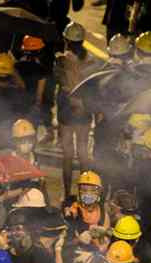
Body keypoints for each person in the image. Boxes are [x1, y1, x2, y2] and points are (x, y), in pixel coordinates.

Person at [55, 22, 95, 195]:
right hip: (84, 108)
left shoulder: (61, 60)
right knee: (83, 152)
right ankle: (85, 194)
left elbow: (60, 82)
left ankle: (66, 193)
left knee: (67, 155)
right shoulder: (91, 60)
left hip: (66, 108)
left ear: (66, 40)